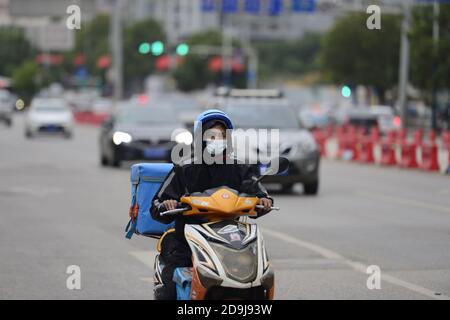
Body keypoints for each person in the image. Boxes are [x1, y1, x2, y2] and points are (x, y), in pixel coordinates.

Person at [151, 109, 273, 300]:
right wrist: (166, 203)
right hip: (190, 235)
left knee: (258, 270)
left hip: (232, 236)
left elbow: (259, 193)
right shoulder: (185, 168)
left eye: (223, 135)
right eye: (212, 135)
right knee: (171, 272)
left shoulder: (240, 167)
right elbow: (157, 204)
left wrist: (265, 201)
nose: (218, 139)